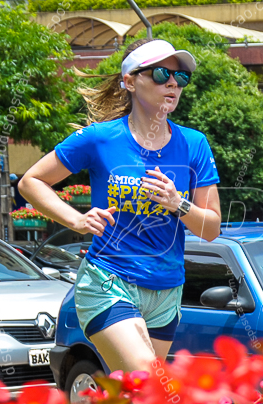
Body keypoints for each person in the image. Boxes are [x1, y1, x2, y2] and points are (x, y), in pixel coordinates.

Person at [19, 38, 222, 376]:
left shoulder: (194, 144)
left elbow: (211, 229)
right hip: (108, 281)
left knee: (138, 402)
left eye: (180, 77)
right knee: (148, 381)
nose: (173, 83)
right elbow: (31, 182)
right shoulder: (99, 138)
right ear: (130, 81)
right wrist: (77, 220)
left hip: (166, 290)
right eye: (161, 74)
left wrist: (177, 203)